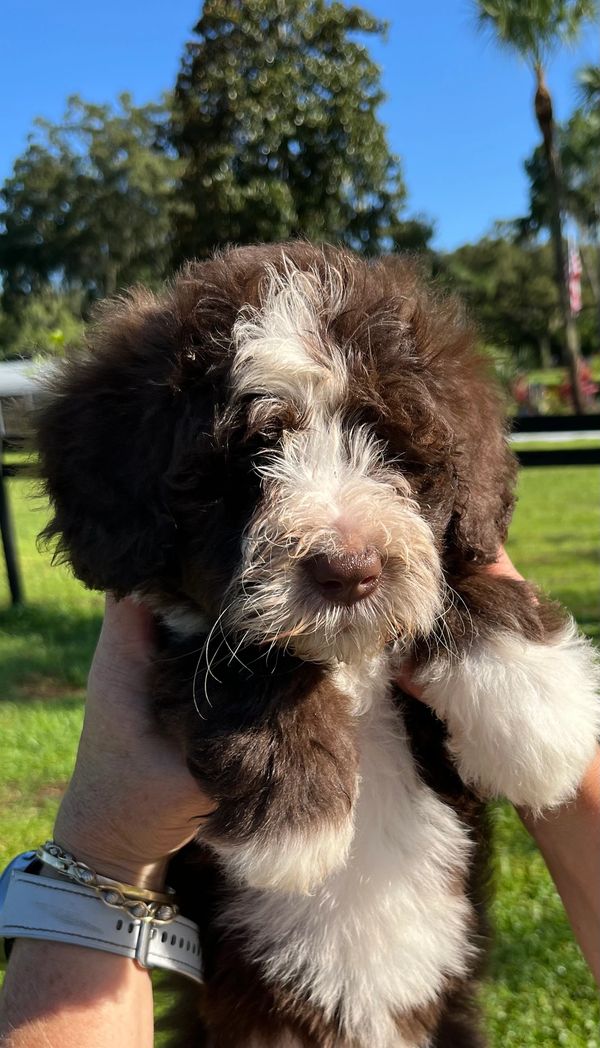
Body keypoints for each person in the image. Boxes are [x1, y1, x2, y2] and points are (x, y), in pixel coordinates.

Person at [1, 553, 599, 1048]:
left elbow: (542, 753)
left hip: (437, 1017)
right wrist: (113, 847)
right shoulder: (215, 644)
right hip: (252, 1014)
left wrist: (101, 856)